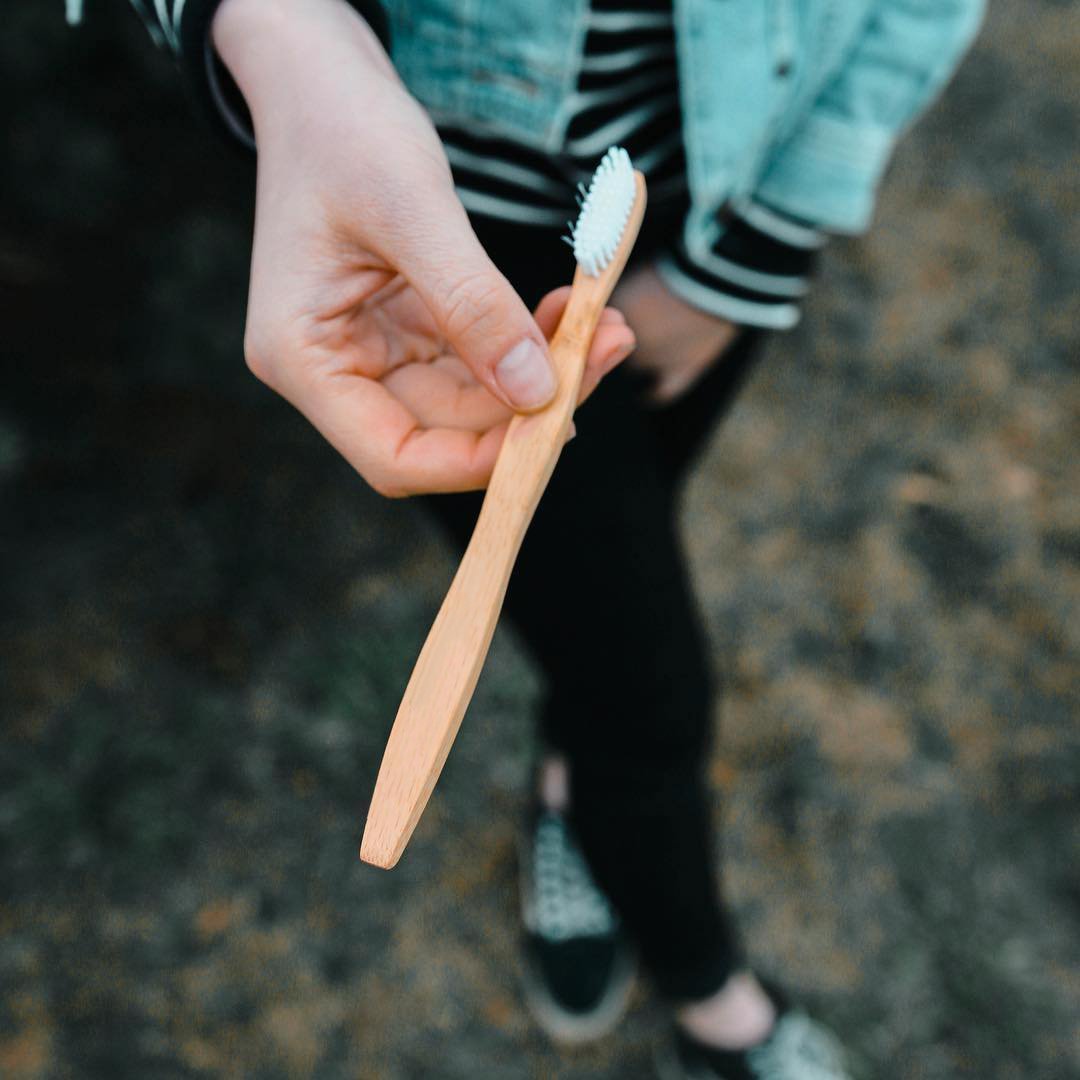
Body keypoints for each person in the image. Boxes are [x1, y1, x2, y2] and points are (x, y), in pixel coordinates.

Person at [72, 0, 985, 1074]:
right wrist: (282, 36)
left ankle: (571, 787)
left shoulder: (739, 234)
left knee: (623, 567)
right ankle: (713, 998)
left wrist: (750, 257)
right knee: (646, 692)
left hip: (728, 192)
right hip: (424, 220)